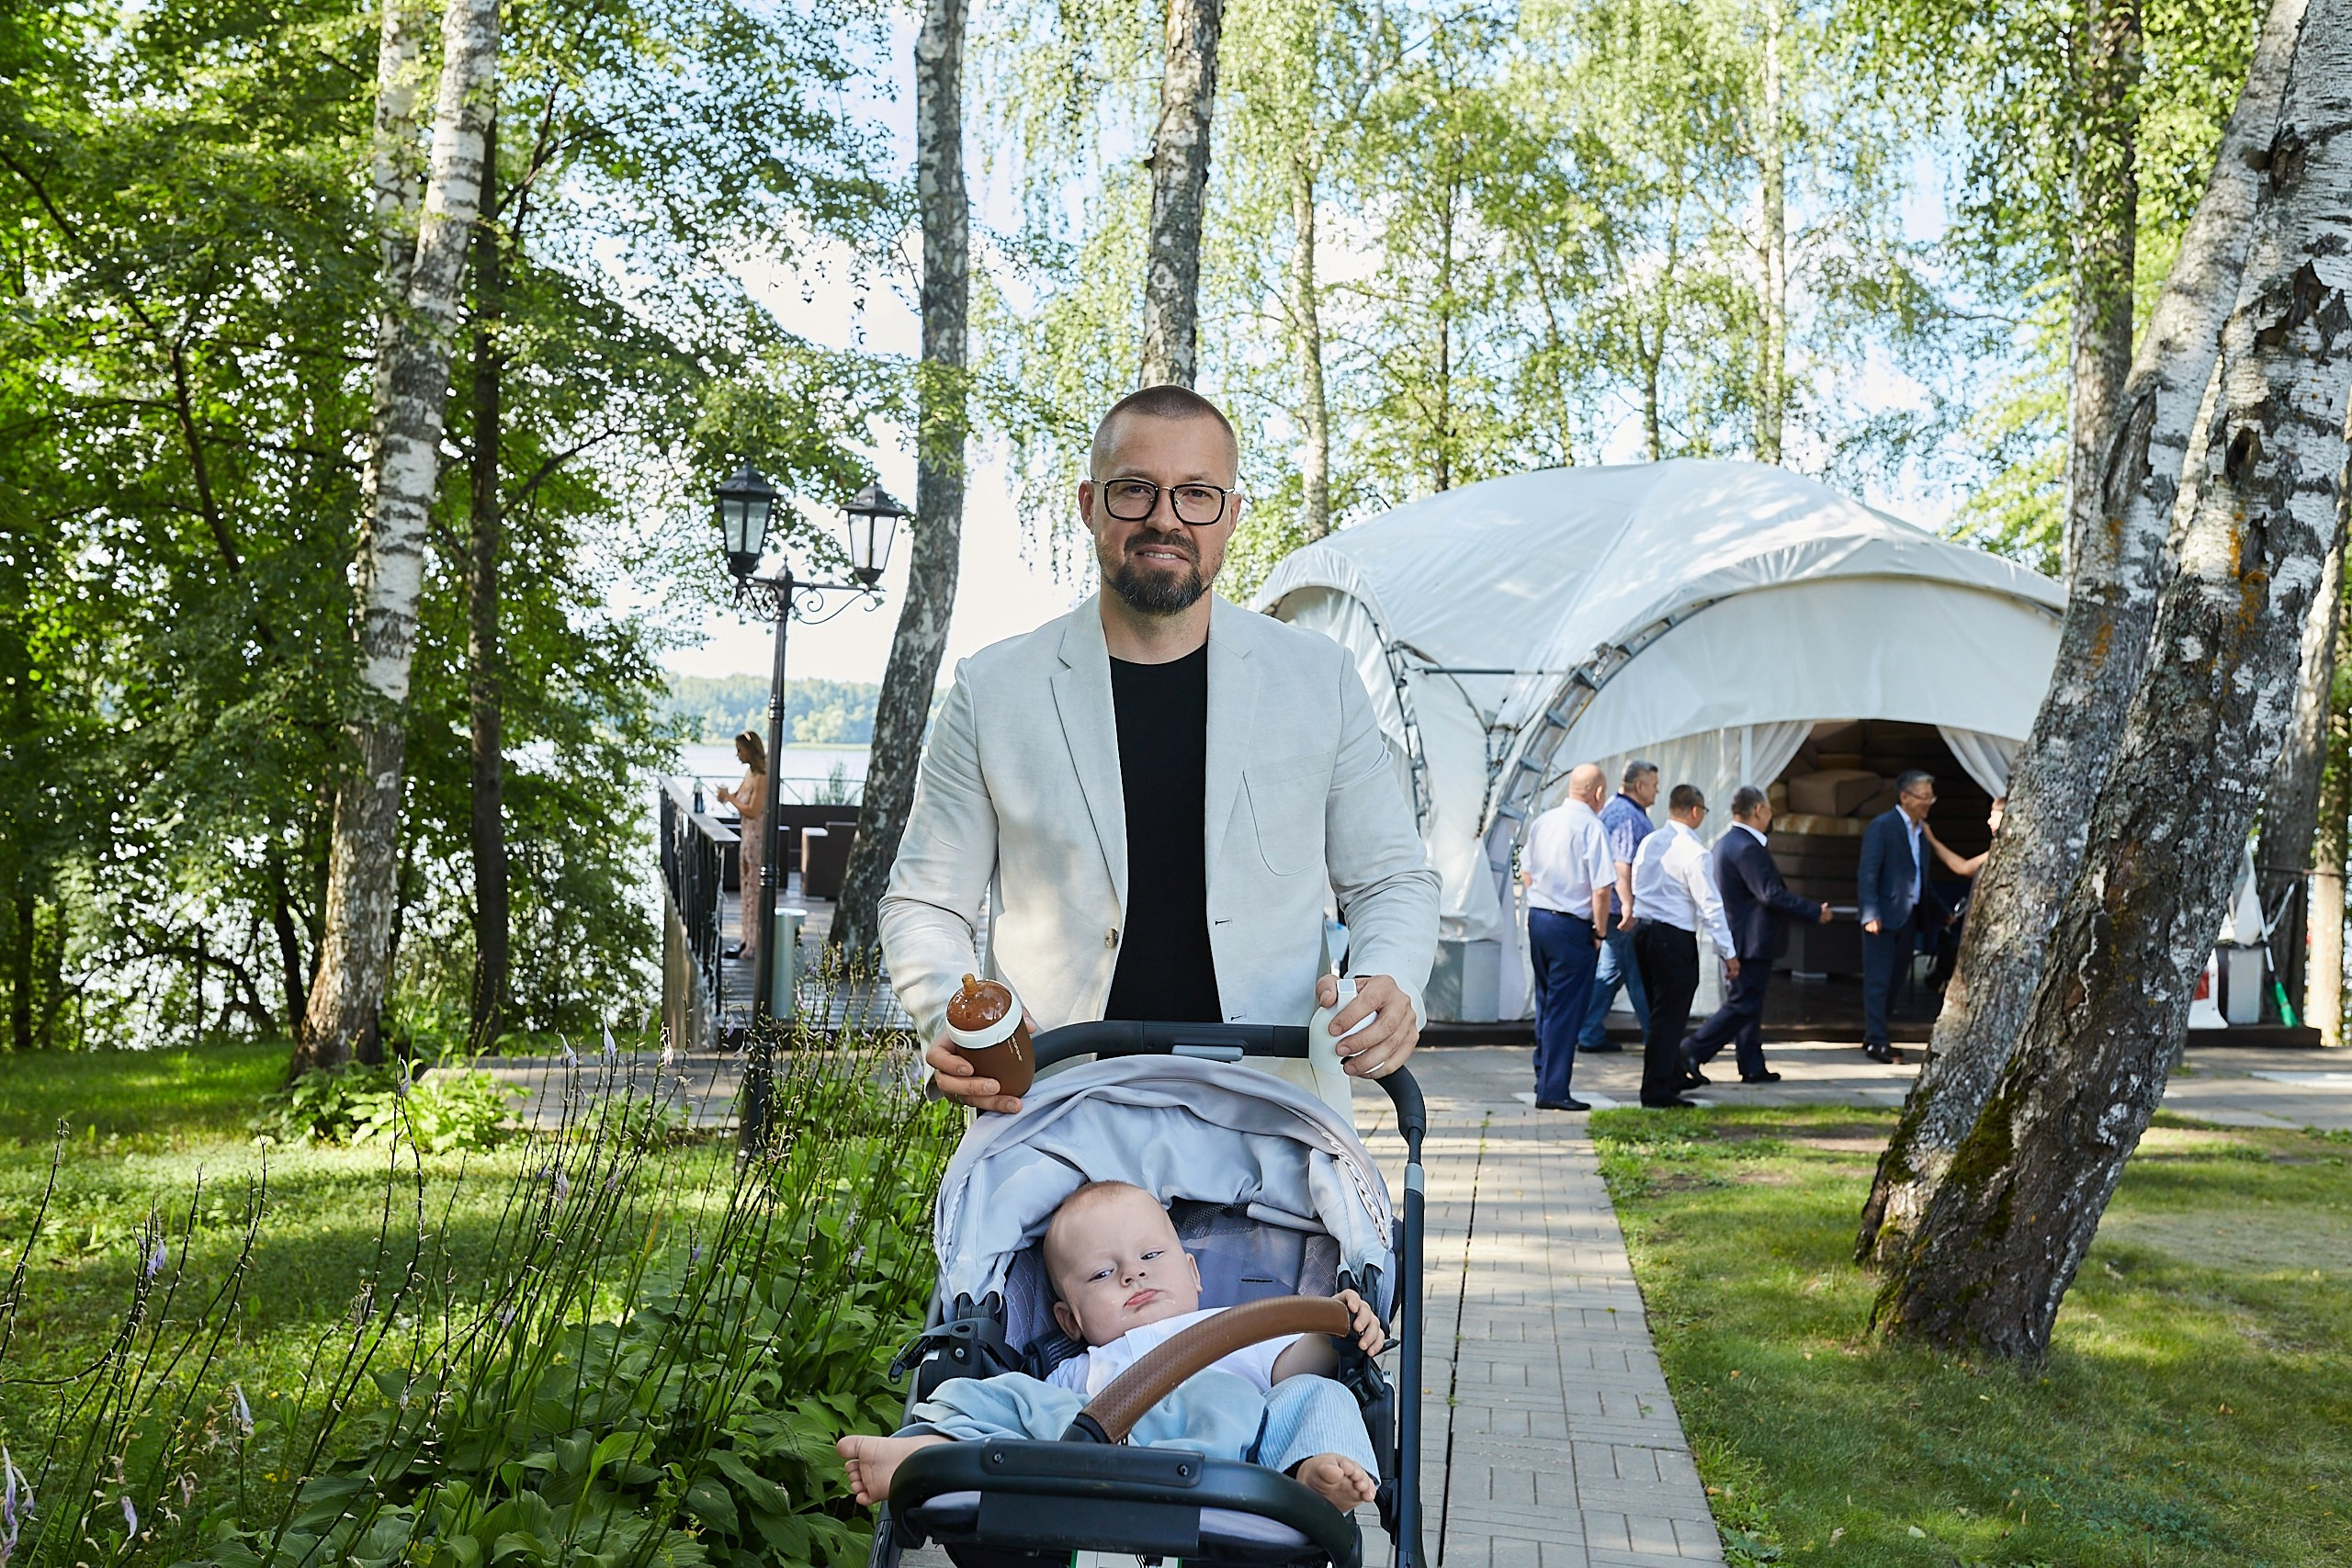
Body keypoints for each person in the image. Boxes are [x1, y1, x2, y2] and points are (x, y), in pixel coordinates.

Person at [882, 386, 1441, 1114]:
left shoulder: (1321, 681)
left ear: (1233, 515)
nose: (1165, 518)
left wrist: (1388, 978)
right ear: (1089, 504)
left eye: (1197, 494)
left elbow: (1392, 879)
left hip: (1271, 1108)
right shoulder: (992, 691)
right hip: (1056, 1105)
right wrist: (949, 1014)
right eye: (1135, 490)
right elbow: (925, 901)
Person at [835, 1180, 1385, 1514]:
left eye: (1151, 1257)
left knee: (1318, 1392)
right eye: (1103, 1273)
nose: (1132, 1276)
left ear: (1194, 1274)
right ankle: (925, 1451)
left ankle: (1315, 1471)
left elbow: (1307, 1361)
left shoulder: (1240, 1326)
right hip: (1090, 1443)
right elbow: (1029, 1413)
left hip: (1225, 1449)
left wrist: (1341, 1329)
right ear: (1069, 1320)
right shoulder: (1079, 1368)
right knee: (1004, 1396)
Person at [1680, 786, 1829, 1089]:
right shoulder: (1747, 846)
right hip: (1749, 941)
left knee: (1749, 1004)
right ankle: (1692, 1051)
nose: (1771, 815)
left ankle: (1751, 1065)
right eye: (1770, 809)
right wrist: (1813, 911)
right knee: (1742, 1004)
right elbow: (1770, 894)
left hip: (1740, 937)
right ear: (1759, 810)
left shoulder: (1727, 842)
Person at [1629, 784, 1736, 1110]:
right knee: (1670, 1016)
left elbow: (1636, 883)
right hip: (1673, 936)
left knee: (1659, 1012)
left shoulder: (1650, 840)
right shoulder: (1694, 851)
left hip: (1644, 932)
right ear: (1694, 811)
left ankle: (1673, 1073)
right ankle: (1657, 1090)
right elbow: (1710, 906)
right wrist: (1727, 951)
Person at [1519, 762, 1614, 1112]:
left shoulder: (1545, 820)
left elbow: (1526, 870)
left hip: (1540, 916)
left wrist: (1546, 896)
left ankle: (1543, 1075)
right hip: (1573, 925)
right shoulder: (1592, 826)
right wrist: (1600, 931)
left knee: (1547, 1002)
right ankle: (1554, 1089)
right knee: (1566, 1009)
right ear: (1598, 793)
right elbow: (1602, 889)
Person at [1858, 770, 1952, 1065]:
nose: (1929, 803)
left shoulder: (1921, 832)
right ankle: (1876, 1041)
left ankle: (1877, 1032)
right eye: (1924, 797)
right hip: (1883, 917)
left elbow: (1920, 880)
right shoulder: (1882, 827)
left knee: (1896, 980)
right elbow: (1868, 873)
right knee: (1878, 981)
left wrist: (1942, 914)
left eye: (1931, 797)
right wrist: (1870, 912)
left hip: (1908, 917)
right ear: (1905, 797)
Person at [1577, 761, 1658, 1055]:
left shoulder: (1613, 808)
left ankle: (1589, 1031)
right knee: (1639, 974)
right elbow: (1621, 865)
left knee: (1611, 972)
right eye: (1654, 785)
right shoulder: (1627, 816)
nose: (1657, 791)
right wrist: (1628, 905)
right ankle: (1657, 1038)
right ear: (1639, 786)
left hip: (1611, 909)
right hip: (1620, 910)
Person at [715, 730, 768, 962]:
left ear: (750, 750)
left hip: (757, 839)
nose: (737, 755)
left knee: (754, 890)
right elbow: (738, 797)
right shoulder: (750, 773)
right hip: (747, 836)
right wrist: (725, 797)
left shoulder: (763, 777)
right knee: (747, 889)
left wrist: (731, 799)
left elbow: (753, 810)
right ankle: (746, 939)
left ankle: (753, 943)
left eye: (740, 750)